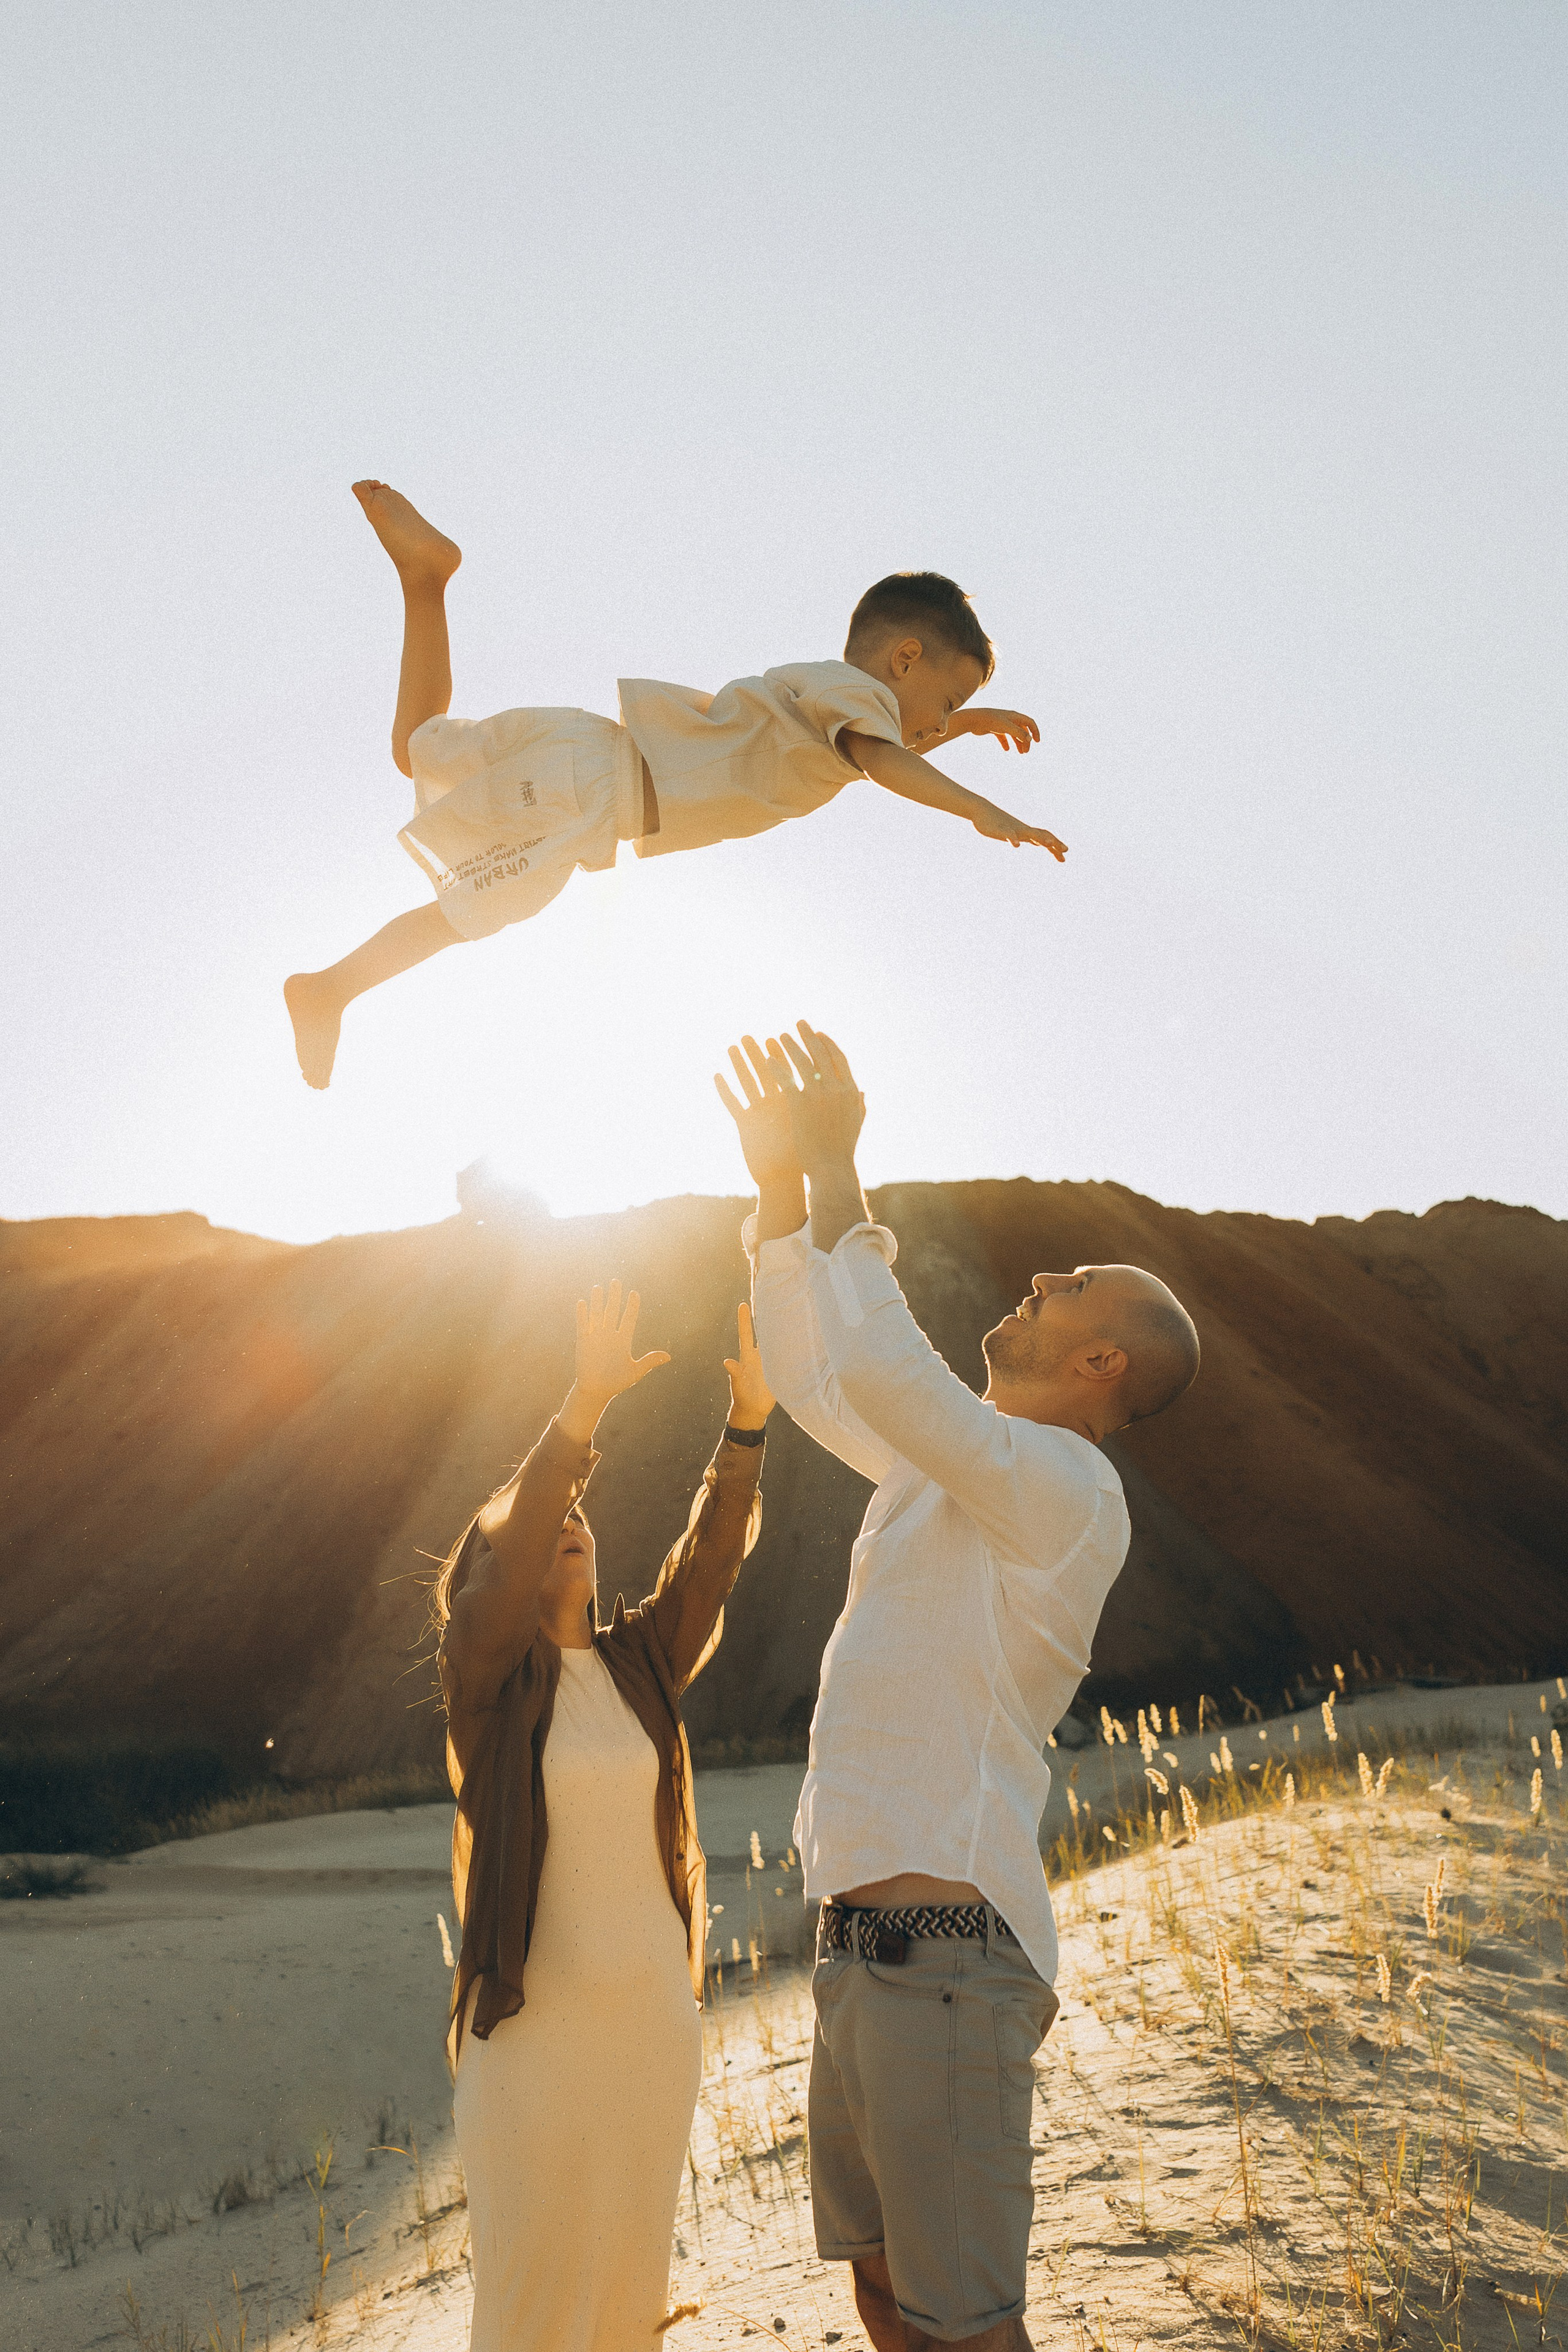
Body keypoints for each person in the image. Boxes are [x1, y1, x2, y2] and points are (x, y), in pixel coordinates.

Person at [715, 1023, 1201, 2352]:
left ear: (1101, 1367)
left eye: (1073, 1286)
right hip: (857, 1967)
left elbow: (880, 1366)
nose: (1042, 1276)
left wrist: (838, 1177)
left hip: (947, 1971)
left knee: (965, 2329)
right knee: (879, 2291)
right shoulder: (944, 1470)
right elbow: (822, 1377)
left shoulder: (1065, 1492)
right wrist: (774, 1203)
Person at [284, 482, 1063, 1086]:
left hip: (586, 757)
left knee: (413, 752)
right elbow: (893, 760)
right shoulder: (856, 712)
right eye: (947, 699)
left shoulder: (834, 697)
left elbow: (901, 741)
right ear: (902, 661)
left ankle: (426, 580)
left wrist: (964, 722)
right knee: (469, 911)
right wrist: (982, 811)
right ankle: (329, 990)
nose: (939, 723)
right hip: (589, 795)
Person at [432, 1279, 774, 2352]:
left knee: (627, 2291)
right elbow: (529, 1519)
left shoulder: (640, 1666)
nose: (566, 1527)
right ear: (499, 1568)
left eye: (579, 1517)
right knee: (531, 2300)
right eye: (542, 1526)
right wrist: (580, 1412)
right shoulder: (486, 1679)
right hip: (531, 2036)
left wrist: (750, 1423)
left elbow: (709, 1562)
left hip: (649, 2029)